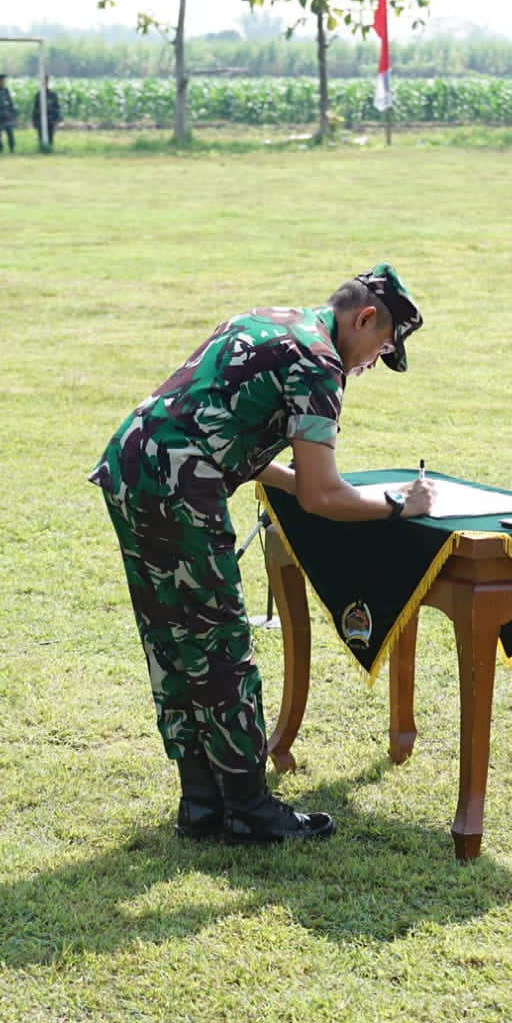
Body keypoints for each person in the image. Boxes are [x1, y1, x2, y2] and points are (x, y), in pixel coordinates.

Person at [89, 265, 432, 844]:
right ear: (366, 318)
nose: (373, 363)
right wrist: (399, 504)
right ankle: (248, 809)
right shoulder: (321, 361)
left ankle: (201, 802)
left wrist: (297, 482)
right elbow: (323, 494)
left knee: (172, 639)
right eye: (381, 348)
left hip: (132, 465)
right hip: (180, 484)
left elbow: (219, 426)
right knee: (220, 644)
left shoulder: (272, 320)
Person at [31, 79, 63, 150]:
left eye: (45, 82)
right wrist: (34, 120)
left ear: (47, 83)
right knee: (41, 136)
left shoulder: (53, 95)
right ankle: (42, 148)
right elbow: (35, 109)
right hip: (40, 120)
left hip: (51, 119)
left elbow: (57, 107)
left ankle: (49, 149)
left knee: (50, 135)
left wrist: (58, 118)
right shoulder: (38, 95)